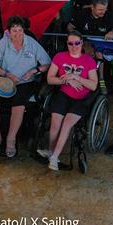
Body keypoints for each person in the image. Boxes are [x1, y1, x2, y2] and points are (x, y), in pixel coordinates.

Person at [0, 16, 51, 158]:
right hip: (5, 80)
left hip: (25, 81)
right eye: (14, 31)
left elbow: (47, 64)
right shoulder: (4, 43)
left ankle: (11, 140)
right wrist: (7, 74)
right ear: (8, 31)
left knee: (18, 103)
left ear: (24, 30)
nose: (18, 34)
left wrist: (34, 70)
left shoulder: (31, 43)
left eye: (20, 30)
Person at [39, 31, 98, 170]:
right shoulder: (60, 57)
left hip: (81, 99)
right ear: (67, 44)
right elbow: (50, 79)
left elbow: (93, 85)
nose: (74, 46)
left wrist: (76, 77)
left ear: (81, 43)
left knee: (66, 124)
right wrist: (68, 80)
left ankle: (54, 157)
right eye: (70, 43)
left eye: (77, 43)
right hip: (64, 94)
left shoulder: (88, 61)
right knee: (55, 124)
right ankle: (51, 151)